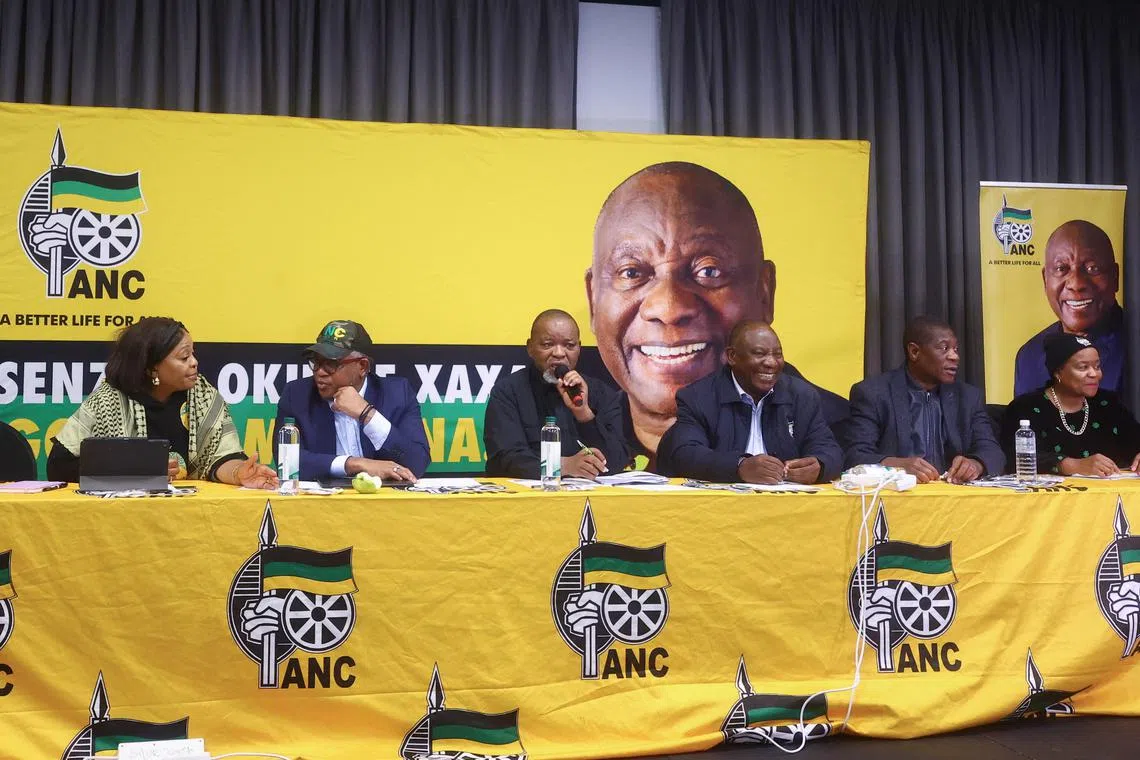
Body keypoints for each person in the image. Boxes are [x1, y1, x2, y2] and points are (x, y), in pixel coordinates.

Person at [586, 161, 849, 468]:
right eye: (631, 272)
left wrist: (818, 467)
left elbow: (835, 456)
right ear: (593, 300)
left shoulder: (831, 418)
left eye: (709, 271)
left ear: (764, 292)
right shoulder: (587, 422)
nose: (668, 309)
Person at [46, 317, 278, 488]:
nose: (195, 362)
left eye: (194, 354)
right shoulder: (109, 400)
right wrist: (133, 471)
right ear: (152, 367)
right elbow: (59, 465)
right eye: (184, 357)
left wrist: (239, 473)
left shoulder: (204, 395)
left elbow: (220, 459)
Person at [656, 320, 843, 484]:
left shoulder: (801, 396)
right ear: (732, 357)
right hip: (719, 508)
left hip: (787, 508)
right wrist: (739, 467)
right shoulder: (698, 397)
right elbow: (686, 454)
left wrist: (820, 466)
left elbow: (830, 450)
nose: (771, 362)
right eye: (759, 353)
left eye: (777, 354)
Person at [844, 316, 1004, 483]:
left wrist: (975, 464)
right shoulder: (873, 393)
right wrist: (897, 467)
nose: (954, 357)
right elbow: (855, 455)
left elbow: (992, 451)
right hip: (899, 497)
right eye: (944, 348)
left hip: (954, 497)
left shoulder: (968, 397)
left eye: (956, 349)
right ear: (914, 352)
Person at [275, 320, 430, 482]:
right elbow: (286, 463)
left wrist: (367, 414)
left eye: (331, 364)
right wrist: (354, 464)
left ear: (362, 367)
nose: (320, 372)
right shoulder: (296, 395)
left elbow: (417, 464)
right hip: (322, 504)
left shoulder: (398, 394)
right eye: (316, 362)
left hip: (382, 503)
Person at [484, 309, 630, 479]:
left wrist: (583, 414)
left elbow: (618, 461)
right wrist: (561, 466)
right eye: (547, 344)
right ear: (530, 348)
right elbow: (503, 460)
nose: (559, 353)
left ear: (579, 348)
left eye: (569, 345)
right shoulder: (508, 392)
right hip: (532, 500)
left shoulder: (601, 393)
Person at [1013, 220, 1125, 396]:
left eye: (1092, 268)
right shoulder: (1029, 357)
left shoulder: (1132, 346)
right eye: (1061, 268)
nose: (1076, 283)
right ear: (1045, 280)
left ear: (1115, 276)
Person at [1003, 333, 1140, 476]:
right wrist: (1071, 465)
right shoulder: (1026, 408)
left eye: (1097, 366)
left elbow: (1134, 439)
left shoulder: (1107, 404)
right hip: (1053, 497)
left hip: (1112, 495)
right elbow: (1015, 459)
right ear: (1058, 372)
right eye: (1083, 367)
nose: (1094, 374)